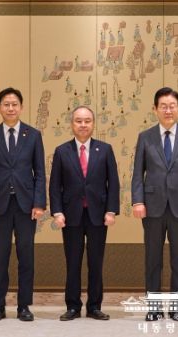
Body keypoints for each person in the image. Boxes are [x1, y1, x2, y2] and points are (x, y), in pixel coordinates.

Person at [131, 87, 178, 322]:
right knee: (153, 259)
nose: (168, 110)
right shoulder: (145, 137)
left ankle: (176, 307)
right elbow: (137, 173)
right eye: (163, 106)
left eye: (172, 106)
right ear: (155, 109)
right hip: (151, 207)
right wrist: (138, 201)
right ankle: (153, 308)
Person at [0, 87, 46, 322]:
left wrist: (39, 203)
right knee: (0, 256)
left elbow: (40, 173)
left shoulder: (33, 135)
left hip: (27, 206)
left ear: (21, 107)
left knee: (26, 256)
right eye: (6, 104)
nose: (10, 108)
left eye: (14, 104)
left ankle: (24, 306)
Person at [50, 106, 120, 321]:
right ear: (72, 124)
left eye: (87, 121)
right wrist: (57, 212)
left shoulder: (105, 149)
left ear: (93, 123)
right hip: (70, 215)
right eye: (79, 121)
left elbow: (113, 183)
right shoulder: (62, 151)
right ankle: (73, 306)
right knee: (72, 263)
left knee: (96, 263)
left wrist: (111, 211)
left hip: (98, 215)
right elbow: (55, 186)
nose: (83, 125)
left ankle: (94, 306)